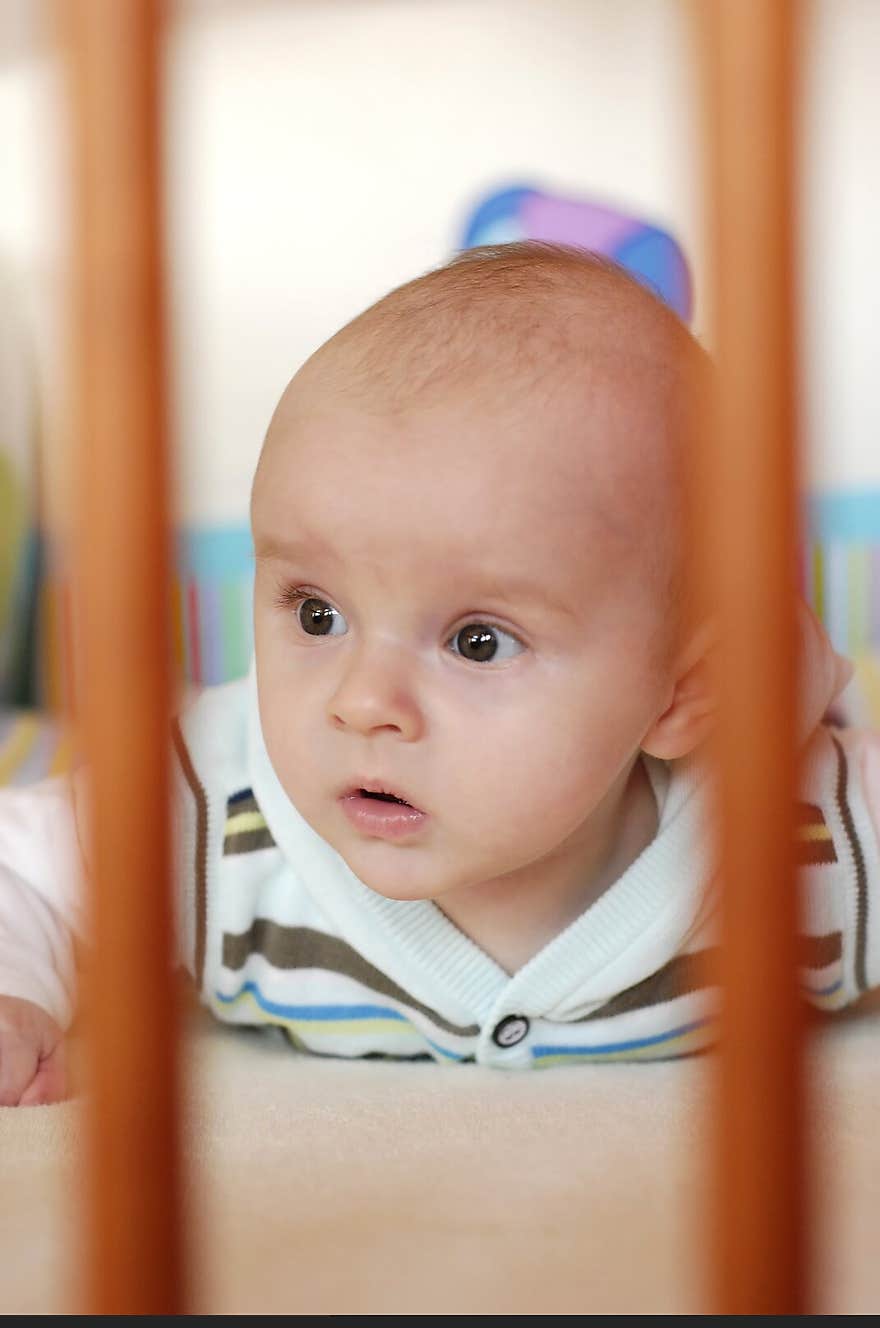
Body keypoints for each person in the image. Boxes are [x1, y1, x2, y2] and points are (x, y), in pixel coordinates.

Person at [0, 242, 870, 1102]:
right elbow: (27, 871)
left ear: (683, 690)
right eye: (316, 614)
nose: (363, 702)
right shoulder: (213, 811)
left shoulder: (800, 832)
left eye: (478, 641)